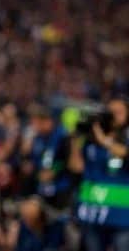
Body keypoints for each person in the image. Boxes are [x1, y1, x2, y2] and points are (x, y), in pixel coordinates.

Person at [69, 97, 129, 251]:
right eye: (110, 112)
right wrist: (75, 142)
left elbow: (124, 153)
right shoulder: (92, 139)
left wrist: (104, 140)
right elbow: (77, 167)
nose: (113, 116)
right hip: (93, 212)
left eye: (118, 112)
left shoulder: (123, 137)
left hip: (122, 215)